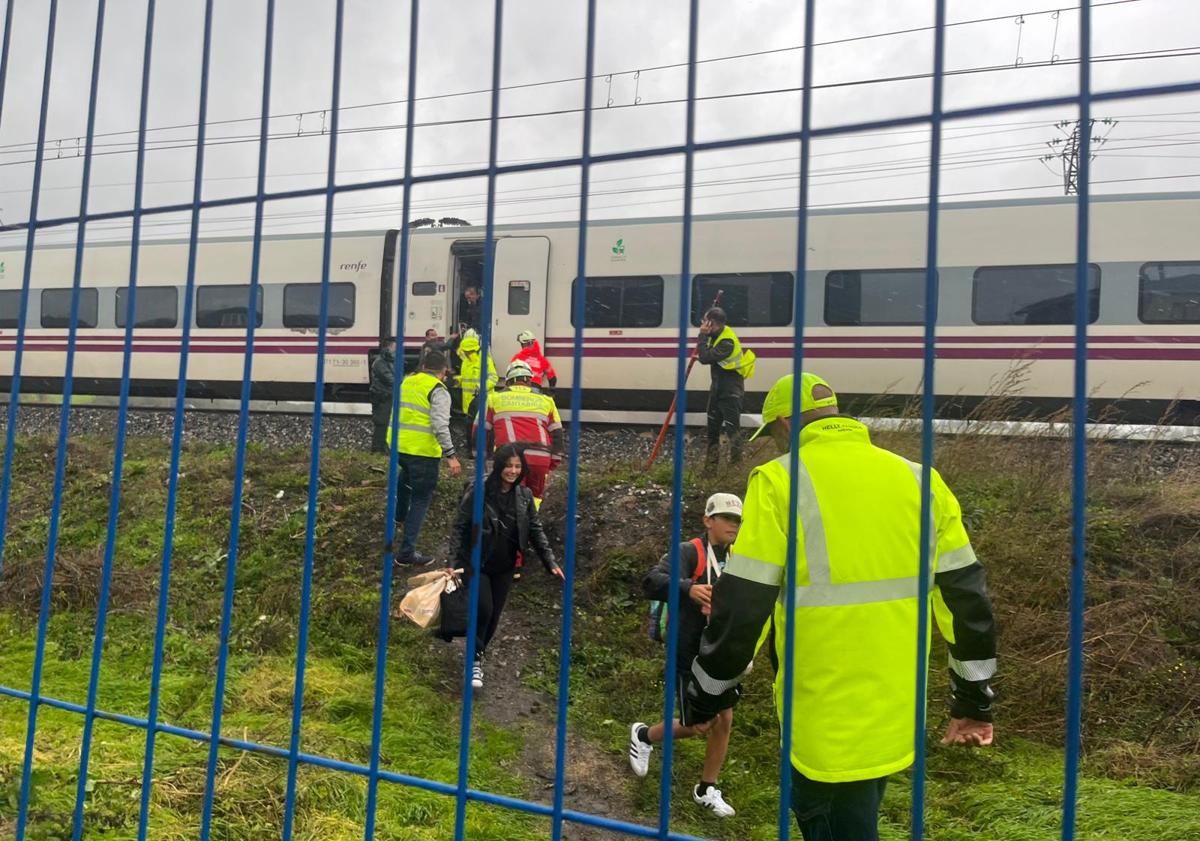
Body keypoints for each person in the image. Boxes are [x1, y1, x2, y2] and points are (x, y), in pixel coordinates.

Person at [684, 373, 998, 841]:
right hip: (892, 714)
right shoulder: (920, 480)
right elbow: (966, 601)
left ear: (786, 422)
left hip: (822, 720)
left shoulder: (780, 481)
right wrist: (974, 702)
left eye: (771, 435)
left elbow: (744, 603)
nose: (774, 446)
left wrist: (706, 693)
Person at [628, 493, 744, 819]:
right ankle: (643, 735)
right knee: (699, 725)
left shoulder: (740, 556)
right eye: (726, 518)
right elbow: (652, 581)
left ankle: (706, 788)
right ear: (708, 520)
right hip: (689, 651)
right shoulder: (689, 551)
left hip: (722, 651)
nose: (733, 525)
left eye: (737, 520)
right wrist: (687, 589)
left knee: (725, 719)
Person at [448, 444, 564, 689]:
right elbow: (460, 526)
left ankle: (477, 656)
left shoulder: (524, 496)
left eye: (517, 466)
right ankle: (474, 660)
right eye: (508, 465)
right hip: (476, 562)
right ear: (499, 466)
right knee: (484, 609)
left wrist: (549, 561)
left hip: (506, 565)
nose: (512, 470)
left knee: (493, 618)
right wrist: (453, 564)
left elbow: (535, 529)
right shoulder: (479, 491)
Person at [387, 350, 462, 565]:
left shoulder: (407, 381)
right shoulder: (438, 390)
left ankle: (399, 516)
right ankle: (406, 553)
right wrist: (451, 455)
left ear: (423, 366)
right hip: (422, 452)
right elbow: (439, 425)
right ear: (444, 371)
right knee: (421, 498)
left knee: (406, 477)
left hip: (398, 446)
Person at [477, 360, 564, 509]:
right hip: (540, 460)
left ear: (508, 381)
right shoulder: (547, 401)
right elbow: (557, 435)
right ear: (530, 381)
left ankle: (511, 528)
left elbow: (480, 430)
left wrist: (482, 458)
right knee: (534, 499)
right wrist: (552, 463)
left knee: (510, 500)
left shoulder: (493, 399)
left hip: (510, 459)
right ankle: (531, 525)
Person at [697, 307, 755, 471]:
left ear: (713, 323)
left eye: (706, 322)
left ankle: (734, 469)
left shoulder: (727, 341)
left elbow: (705, 357)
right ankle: (710, 471)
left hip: (730, 393)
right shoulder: (718, 335)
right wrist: (706, 337)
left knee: (733, 433)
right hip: (717, 391)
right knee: (712, 434)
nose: (703, 325)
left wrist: (702, 336)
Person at [457, 331, 498, 457]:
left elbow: (493, 378)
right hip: (468, 402)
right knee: (470, 427)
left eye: (468, 351)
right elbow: (466, 379)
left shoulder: (485, 360)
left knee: (485, 428)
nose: (466, 353)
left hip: (483, 400)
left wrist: (481, 387)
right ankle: (471, 451)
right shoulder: (466, 362)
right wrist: (457, 380)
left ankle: (487, 452)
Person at [369, 336, 397, 453]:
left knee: (385, 422)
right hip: (382, 395)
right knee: (382, 422)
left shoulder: (387, 361)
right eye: (395, 346)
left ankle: (382, 447)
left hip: (386, 395)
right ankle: (377, 448)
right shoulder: (380, 362)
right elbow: (390, 379)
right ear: (389, 346)